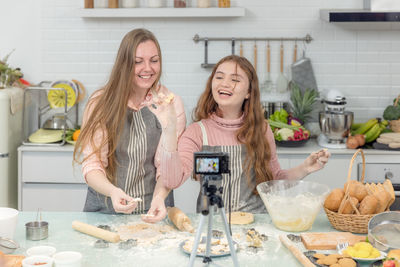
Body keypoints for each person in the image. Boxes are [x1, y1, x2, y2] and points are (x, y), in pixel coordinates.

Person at [155, 55, 330, 214]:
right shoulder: (197, 132)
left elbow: (274, 180)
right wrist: (170, 130)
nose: (225, 83)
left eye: (235, 79)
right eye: (219, 77)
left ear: (248, 92)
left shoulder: (261, 130)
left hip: (256, 227)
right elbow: (173, 180)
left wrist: (305, 168)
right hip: (213, 229)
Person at [73, 28, 186, 221]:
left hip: (154, 211)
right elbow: (92, 165)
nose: (148, 68)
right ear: (124, 64)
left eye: (154, 60)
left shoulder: (169, 103)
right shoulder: (100, 103)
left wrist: (159, 198)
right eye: (137, 62)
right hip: (105, 210)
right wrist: (113, 192)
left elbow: (167, 169)